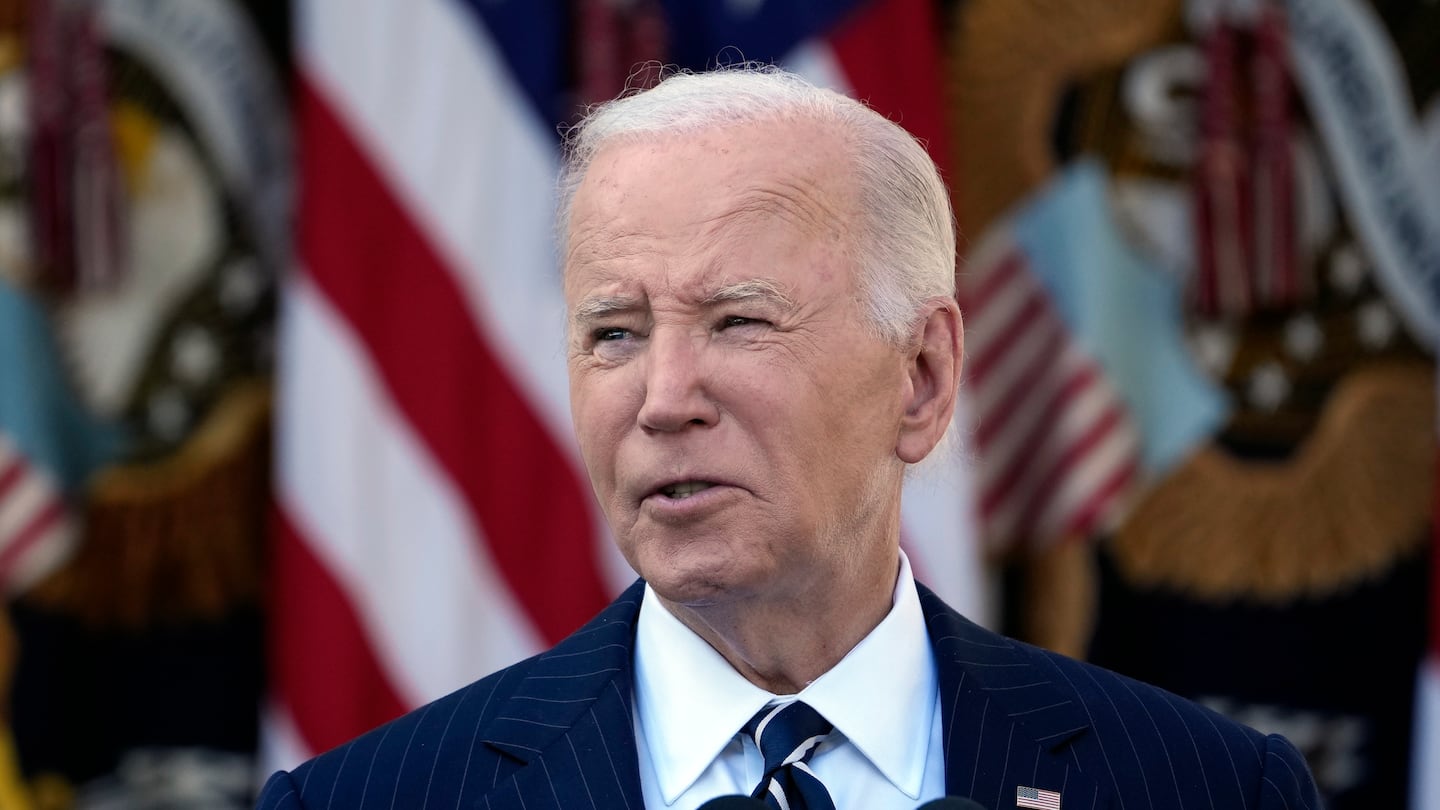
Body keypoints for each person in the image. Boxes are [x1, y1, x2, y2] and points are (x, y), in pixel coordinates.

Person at [256, 66, 1320, 810]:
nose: (663, 399)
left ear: (923, 376)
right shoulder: (368, 799)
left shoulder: (1210, 788)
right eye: (614, 334)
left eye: (739, 321)